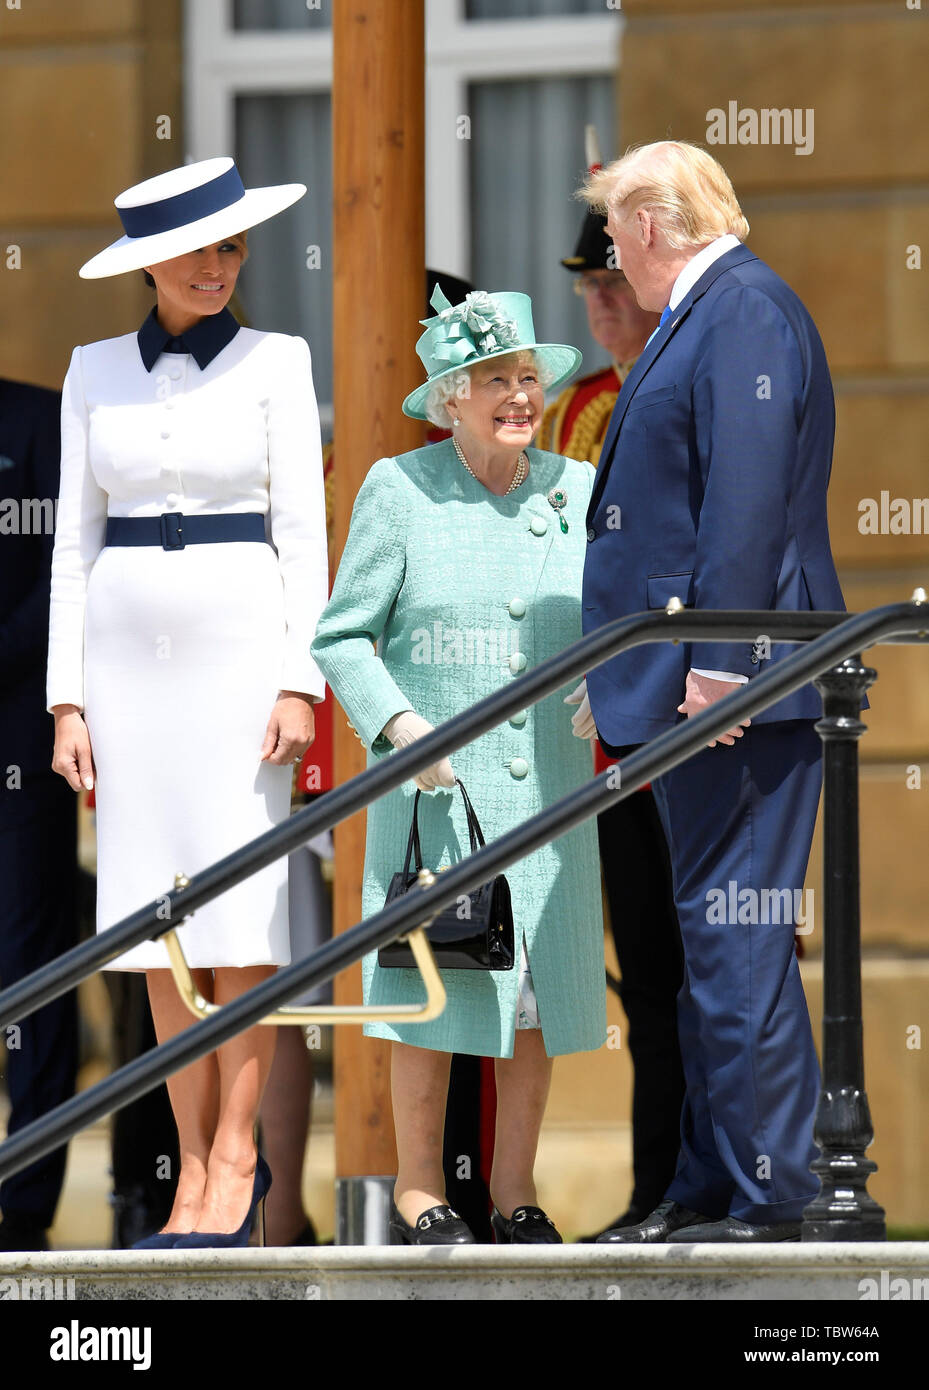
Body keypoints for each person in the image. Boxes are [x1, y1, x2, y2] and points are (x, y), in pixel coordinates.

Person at [46, 157, 329, 1248]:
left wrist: (299, 678)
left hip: (242, 654)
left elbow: (303, 537)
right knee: (151, 923)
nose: (218, 267)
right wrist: (67, 701)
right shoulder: (91, 369)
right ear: (149, 265)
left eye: (231, 247)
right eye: (196, 249)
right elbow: (72, 546)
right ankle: (189, 1168)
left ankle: (238, 1156)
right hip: (125, 667)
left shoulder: (277, 360)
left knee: (240, 916)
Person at [579, 140, 847, 1244]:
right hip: (694, 682)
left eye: (608, 232)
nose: (606, 253)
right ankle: (706, 1184)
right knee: (708, 947)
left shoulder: (735, 309)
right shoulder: (711, 311)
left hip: (734, 690)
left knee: (735, 945)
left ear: (648, 221)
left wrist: (722, 665)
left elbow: (742, 501)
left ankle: (770, 1195)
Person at [312, 285, 607, 1245]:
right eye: (494, 381)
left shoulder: (577, 489)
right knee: (430, 989)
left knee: (531, 994)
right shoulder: (398, 491)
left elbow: (614, 618)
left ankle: (515, 1194)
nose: (517, 396)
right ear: (449, 398)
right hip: (438, 794)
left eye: (526, 378)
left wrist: (613, 684)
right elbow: (344, 637)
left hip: (552, 790)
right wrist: (402, 729)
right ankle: (417, 1189)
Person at [539, 129, 685, 1234]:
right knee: (639, 964)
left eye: (606, 278)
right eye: (583, 284)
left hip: (684, 704)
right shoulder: (572, 405)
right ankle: (653, 1185)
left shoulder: (688, 375)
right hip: (600, 723)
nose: (596, 300)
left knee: (701, 963)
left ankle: (703, 1181)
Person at [0, 375, 79, 1253]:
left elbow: (67, 567)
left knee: (31, 962)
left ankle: (25, 1203)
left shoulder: (34, 416)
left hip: (20, 731)